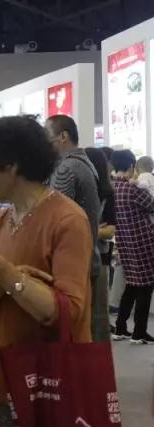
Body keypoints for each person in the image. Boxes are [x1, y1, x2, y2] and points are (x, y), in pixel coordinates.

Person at [0, 116, 92, 426]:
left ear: (11, 166)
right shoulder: (0, 220)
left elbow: (68, 311)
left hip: (48, 383)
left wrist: (4, 272)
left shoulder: (68, 219)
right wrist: (5, 276)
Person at [45, 115, 102, 342]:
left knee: (72, 335)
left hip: (72, 264)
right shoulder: (84, 163)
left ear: (62, 136)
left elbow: (54, 216)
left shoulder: (66, 168)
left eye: (46, 136)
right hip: (86, 258)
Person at [109, 150, 154, 344]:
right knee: (145, 286)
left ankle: (120, 328)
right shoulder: (133, 189)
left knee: (132, 284)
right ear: (131, 166)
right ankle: (139, 332)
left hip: (124, 242)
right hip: (143, 242)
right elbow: (152, 204)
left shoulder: (113, 189)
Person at [85, 147, 115, 341]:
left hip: (100, 259)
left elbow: (110, 230)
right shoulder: (81, 192)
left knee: (98, 316)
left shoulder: (107, 194)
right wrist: (95, 230)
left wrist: (87, 231)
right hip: (80, 259)